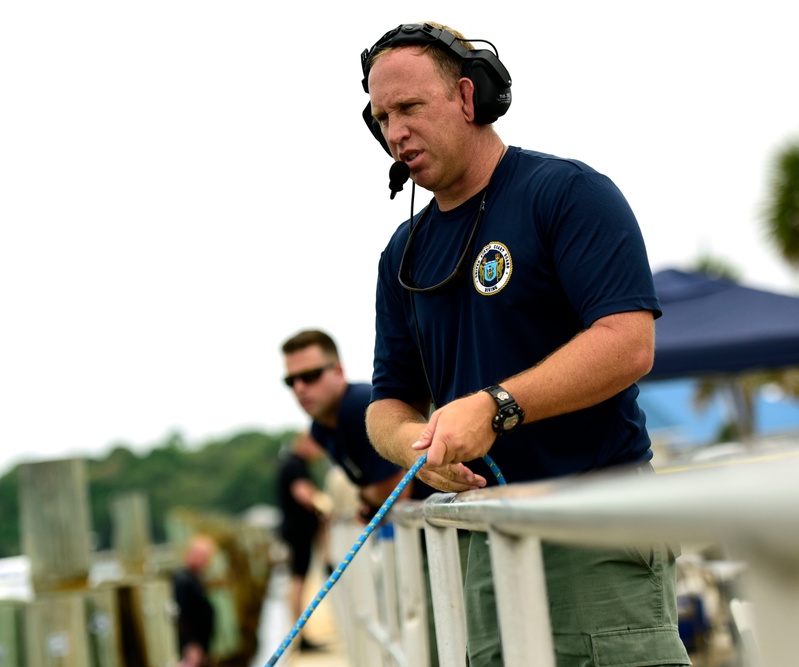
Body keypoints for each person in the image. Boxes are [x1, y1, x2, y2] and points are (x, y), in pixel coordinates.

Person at [359, 21, 690, 666]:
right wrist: (413, 448)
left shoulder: (567, 193)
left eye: (409, 108)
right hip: (481, 541)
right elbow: (387, 403)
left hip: (594, 527)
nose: (394, 132)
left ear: (466, 97)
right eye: (380, 118)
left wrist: (494, 406)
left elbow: (629, 344)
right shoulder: (401, 254)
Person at [280, 329, 433, 517]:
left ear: (338, 371)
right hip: (421, 525)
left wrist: (364, 496)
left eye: (310, 376)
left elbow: (395, 491)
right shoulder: (319, 429)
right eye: (290, 381)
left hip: (454, 519)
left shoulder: (359, 406)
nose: (299, 388)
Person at [275, 431, 332, 652]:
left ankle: (299, 634)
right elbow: (303, 494)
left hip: (297, 532)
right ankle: (300, 636)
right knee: (298, 581)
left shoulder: (293, 464)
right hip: (298, 533)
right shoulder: (295, 465)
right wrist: (325, 504)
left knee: (299, 580)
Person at [172, 534, 217, 667]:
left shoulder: (194, 579)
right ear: (190, 554)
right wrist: (190, 644)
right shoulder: (183, 581)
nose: (205, 561)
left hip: (200, 645)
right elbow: (181, 616)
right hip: (191, 648)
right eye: (202, 556)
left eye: (207, 557)